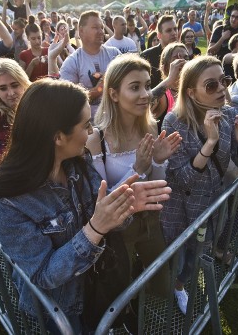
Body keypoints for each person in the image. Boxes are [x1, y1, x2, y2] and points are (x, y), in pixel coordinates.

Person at [0, 79, 171, 334]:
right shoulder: (5, 200)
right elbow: (43, 274)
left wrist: (123, 205)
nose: (92, 132)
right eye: (86, 125)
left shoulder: (77, 162)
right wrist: (96, 228)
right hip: (57, 312)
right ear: (58, 136)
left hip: (95, 287)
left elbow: (100, 211)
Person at [161, 56, 238, 314]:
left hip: (211, 206)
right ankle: (172, 288)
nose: (222, 89)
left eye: (224, 81)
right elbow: (181, 179)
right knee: (177, 258)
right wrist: (209, 143)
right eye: (211, 85)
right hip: (180, 210)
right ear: (191, 92)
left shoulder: (230, 114)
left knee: (195, 257)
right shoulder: (174, 122)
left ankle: (180, 285)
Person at [87, 54, 181, 300]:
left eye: (148, 85)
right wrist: (137, 170)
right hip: (118, 229)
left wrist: (158, 161)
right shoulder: (97, 139)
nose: (146, 94)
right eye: (135, 87)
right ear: (114, 94)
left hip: (149, 220)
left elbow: (156, 184)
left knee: (162, 281)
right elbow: (103, 199)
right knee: (120, 288)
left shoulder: (149, 127)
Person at [60, 10, 121, 118]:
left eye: (101, 27)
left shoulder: (115, 54)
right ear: (81, 31)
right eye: (95, 27)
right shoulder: (72, 62)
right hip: (89, 127)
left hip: (116, 120)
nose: (101, 31)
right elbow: (68, 101)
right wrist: (99, 89)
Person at [150, 42, 189, 130]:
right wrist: (170, 79)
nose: (182, 61)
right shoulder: (164, 96)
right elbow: (143, 106)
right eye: (176, 58)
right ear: (165, 67)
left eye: (186, 57)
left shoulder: (195, 90)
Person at [141, 15, 179, 88]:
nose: (174, 33)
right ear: (159, 35)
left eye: (175, 29)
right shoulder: (147, 56)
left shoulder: (183, 53)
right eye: (168, 30)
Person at [20, 17, 49, 81]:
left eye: (39, 38)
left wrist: (51, 62)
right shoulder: (24, 55)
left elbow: (58, 73)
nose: (37, 41)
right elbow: (22, 80)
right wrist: (32, 64)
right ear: (28, 38)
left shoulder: (48, 51)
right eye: (33, 39)